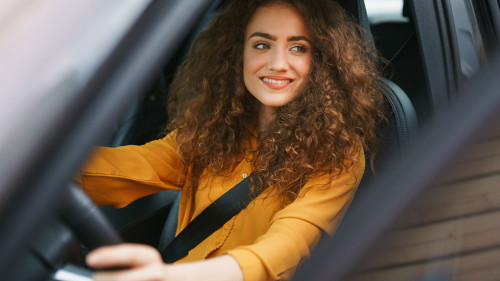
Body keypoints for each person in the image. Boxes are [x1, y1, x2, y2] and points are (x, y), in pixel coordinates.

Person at [78, 0, 386, 280]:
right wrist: (38, 161)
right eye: (262, 44)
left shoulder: (337, 156)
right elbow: (122, 169)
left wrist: (169, 277)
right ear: (238, 53)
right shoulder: (212, 128)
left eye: (298, 48)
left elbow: (283, 250)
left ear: (321, 60)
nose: (278, 63)